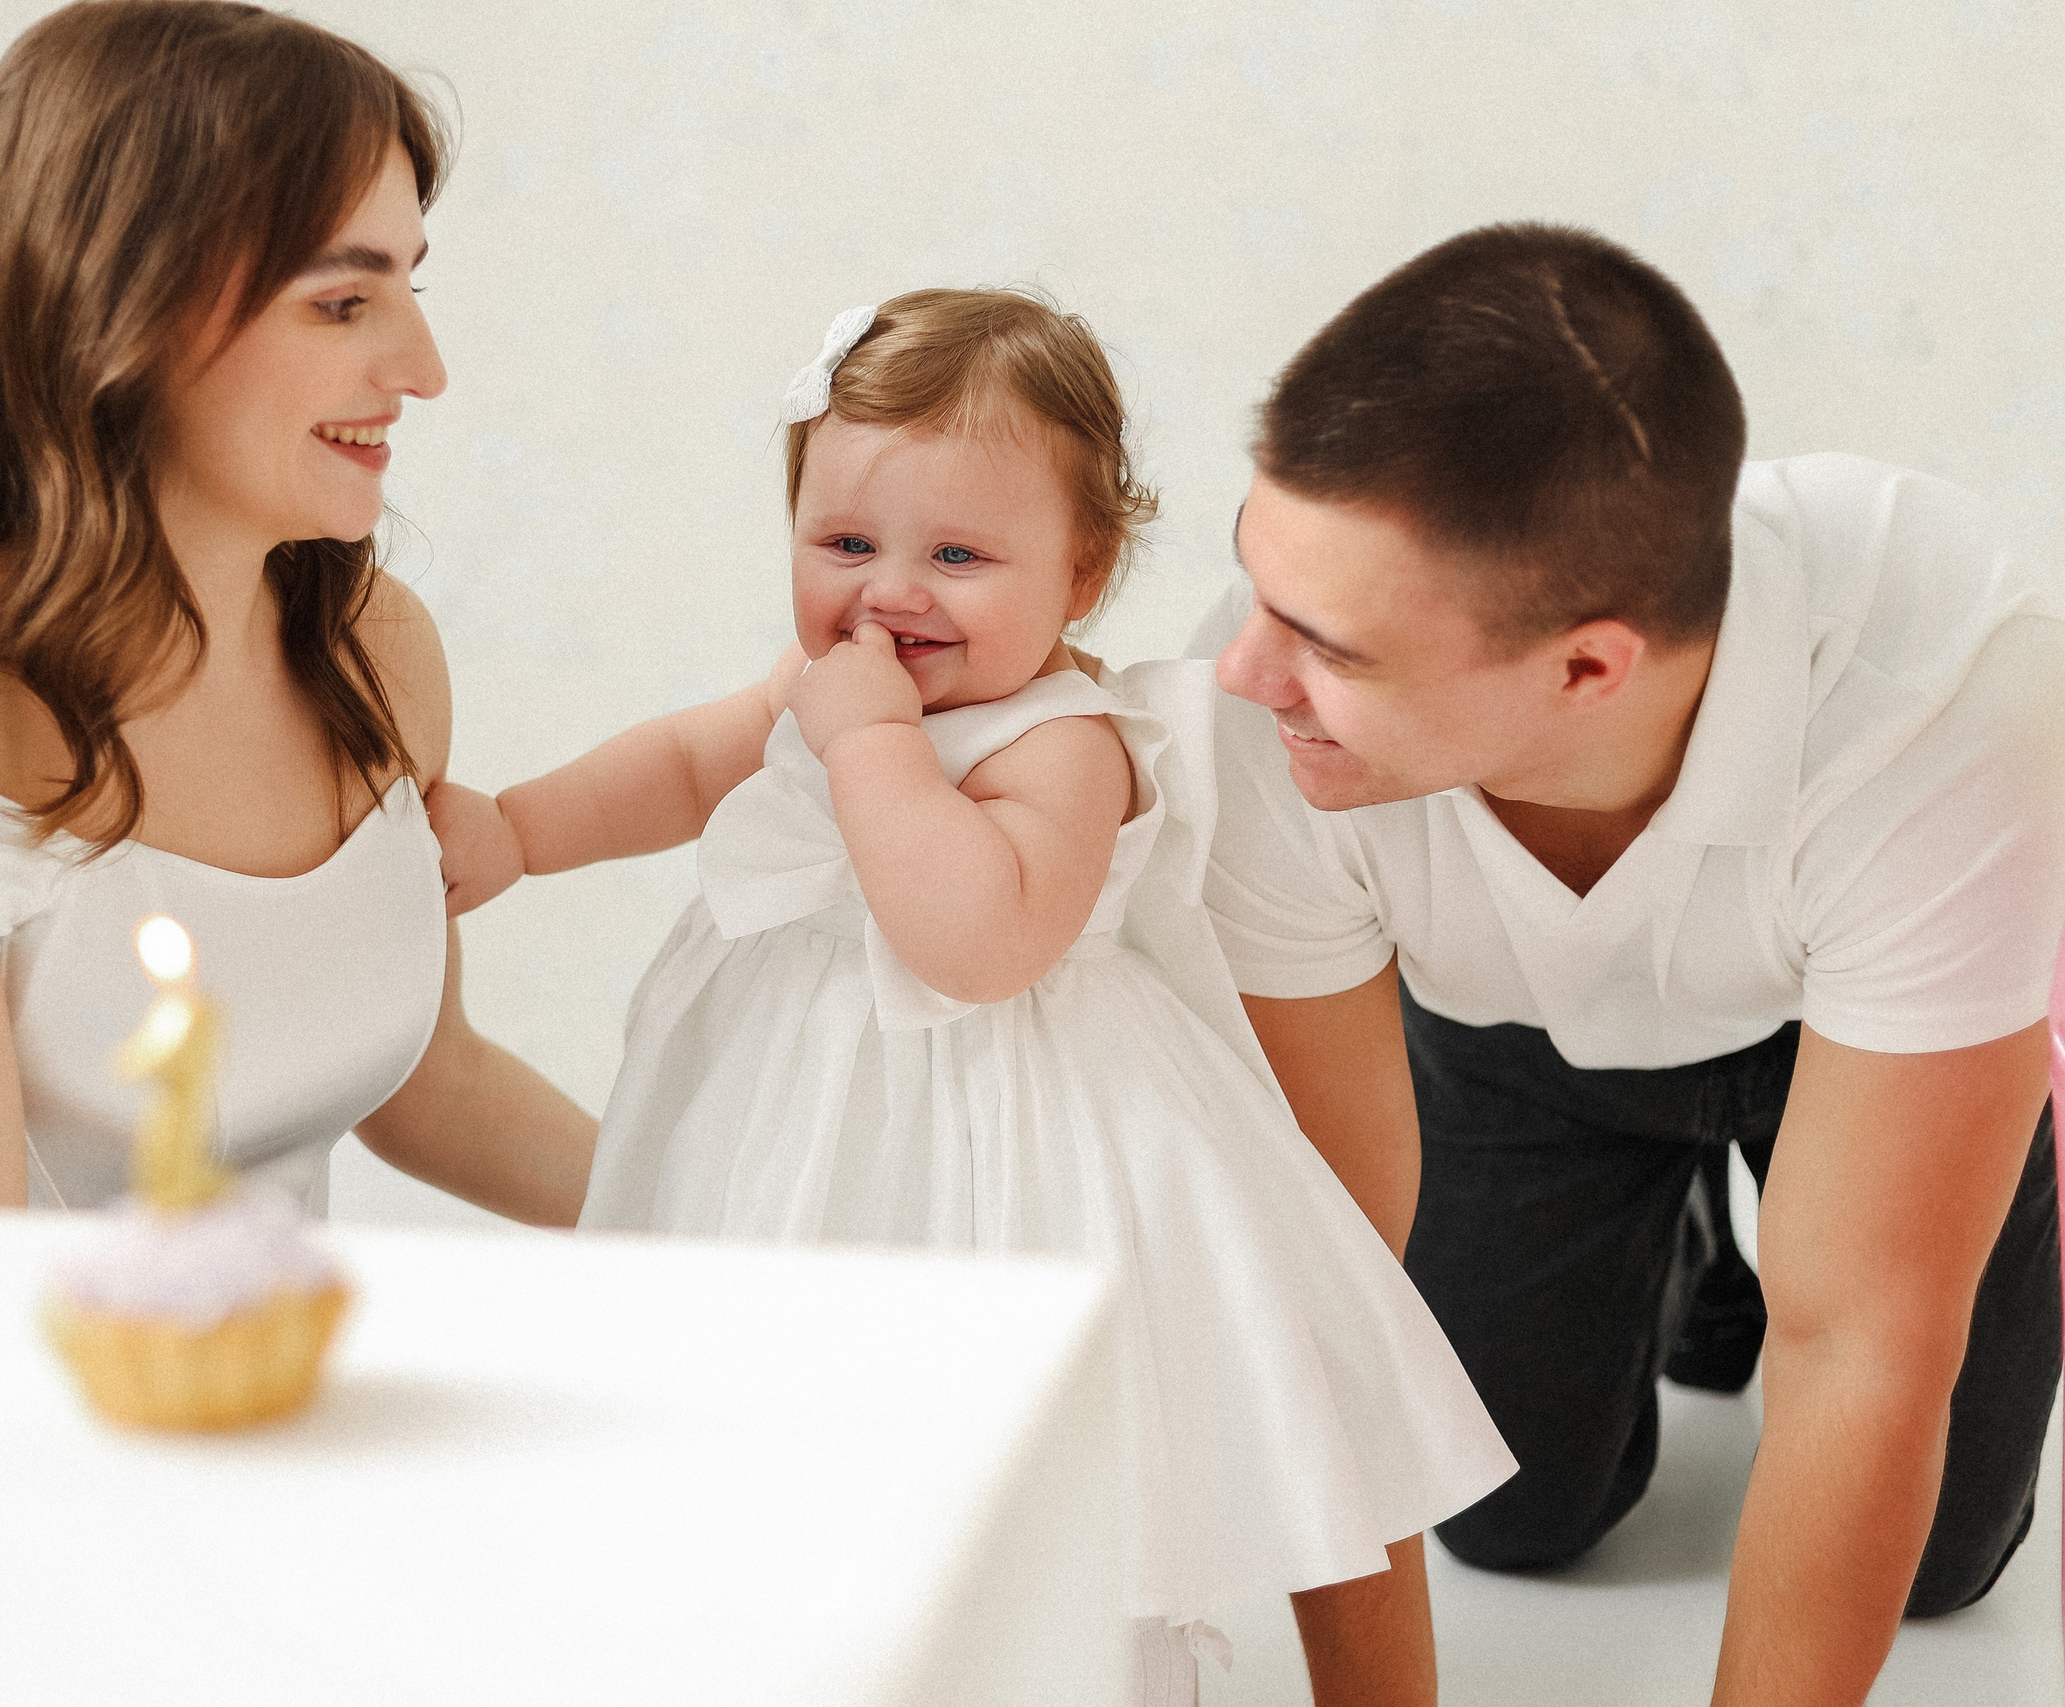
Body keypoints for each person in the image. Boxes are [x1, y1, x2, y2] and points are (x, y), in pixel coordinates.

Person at [431, 289, 1517, 1707]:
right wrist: (519, 829)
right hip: (798, 1106)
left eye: (957, 552)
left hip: (1008, 1145)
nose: (890, 590)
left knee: (1009, 1458)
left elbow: (976, 942)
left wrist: (873, 747)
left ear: (1084, 569)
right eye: (845, 542)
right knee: (790, 1408)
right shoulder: (829, 679)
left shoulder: (1066, 741)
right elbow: (690, 761)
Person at [1194, 222, 2065, 1700]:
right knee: (1511, 1520)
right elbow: (1333, 1287)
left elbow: (1863, 1341)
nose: (1242, 669)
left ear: (1589, 668)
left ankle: (1754, 1216)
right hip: (1512, 1033)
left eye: (1330, 643)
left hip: (1846, 1043)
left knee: (1941, 1562)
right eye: (1259, 588)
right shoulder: (1263, 715)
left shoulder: (1953, 675)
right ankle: (1683, 1250)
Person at [0, 0, 593, 1221]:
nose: (422, 368)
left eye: (408, 284)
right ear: (119, 311)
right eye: (344, 303)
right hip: (66, 1401)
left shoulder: (374, 654)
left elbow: (433, 1086)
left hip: (282, 1380)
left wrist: (777, 1248)